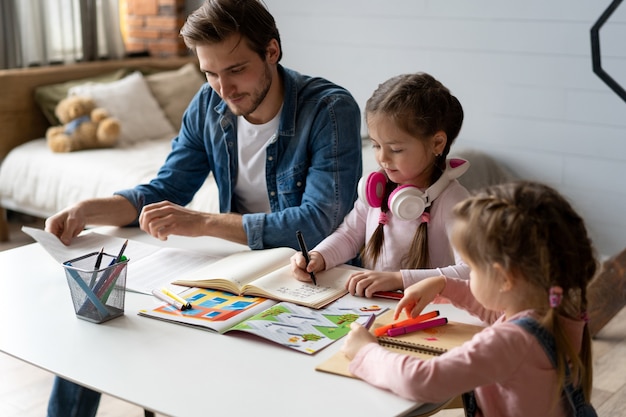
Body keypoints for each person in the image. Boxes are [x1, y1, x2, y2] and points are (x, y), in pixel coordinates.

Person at [45, 0, 362, 416]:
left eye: (235, 70)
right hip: (236, 268)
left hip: (314, 273)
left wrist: (204, 222)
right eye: (209, 73)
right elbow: (167, 187)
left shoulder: (329, 109)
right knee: (98, 312)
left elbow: (320, 222)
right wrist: (89, 210)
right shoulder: (207, 105)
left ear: (271, 51)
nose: (223, 90)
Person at [342, 181, 598, 417]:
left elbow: (424, 381)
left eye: (472, 269)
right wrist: (445, 285)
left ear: (504, 279)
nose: (469, 276)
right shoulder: (555, 308)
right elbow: (500, 315)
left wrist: (365, 352)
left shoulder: (510, 342)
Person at [291, 72, 470, 297]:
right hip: (376, 306)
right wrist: (319, 256)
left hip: (429, 313)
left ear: (437, 143)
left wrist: (398, 279)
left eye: (395, 149)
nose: (383, 159)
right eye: (376, 146)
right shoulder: (377, 189)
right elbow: (349, 235)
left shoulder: (453, 200)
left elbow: (470, 272)